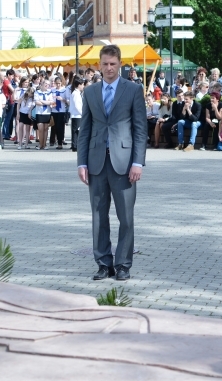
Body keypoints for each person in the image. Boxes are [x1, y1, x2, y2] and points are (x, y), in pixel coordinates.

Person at [76, 44, 147, 282]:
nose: (109, 68)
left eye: (113, 64)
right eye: (105, 64)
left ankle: (124, 264)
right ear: (99, 64)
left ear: (120, 65)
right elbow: (84, 130)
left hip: (125, 163)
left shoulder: (133, 90)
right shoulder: (91, 92)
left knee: (125, 216)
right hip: (96, 162)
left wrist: (138, 162)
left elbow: (140, 129)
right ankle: (104, 263)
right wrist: (81, 163)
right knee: (99, 215)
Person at [33, 79, 55, 150]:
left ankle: (44, 144)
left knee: (46, 129)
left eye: (48, 84)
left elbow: (51, 102)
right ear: (42, 84)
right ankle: (40, 144)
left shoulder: (50, 92)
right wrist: (46, 102)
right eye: (45, 83)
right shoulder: (37, 92)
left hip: (47, 113)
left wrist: (42, 101)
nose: (47, 85)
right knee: (40, 128)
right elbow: (36, 102)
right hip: (39, 113)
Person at [16, 78, 34, 150]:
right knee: (20, 126)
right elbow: (18, 104)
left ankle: (26, 144)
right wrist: (18, 113)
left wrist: (30, 112)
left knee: (27, 129)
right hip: (22, 112)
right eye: (29, 93)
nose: (30, 95)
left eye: (32, 94)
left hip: (28, 114)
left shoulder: (33, 98)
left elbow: (32, 106)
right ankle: (20, 143)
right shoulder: (23, 96)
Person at [51, 76, 68, 150]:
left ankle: (60, 143)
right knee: (54, 126)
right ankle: (53, 140)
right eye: (56, 83)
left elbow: (67, 101)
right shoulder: (52, 90)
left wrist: (62, 99)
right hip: (54, 110)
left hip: (61, 111)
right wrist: (52, 103)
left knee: (60, 127)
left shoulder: (64, 90)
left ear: (61, 83)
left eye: (59, 83)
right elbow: (50, 99)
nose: (58, 85)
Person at [69, 77, 85, 152]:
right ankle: (74, 145)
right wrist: (82, 113)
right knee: (76, 130)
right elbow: (77, 105)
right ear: (79, 85)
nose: (83, 86)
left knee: (76, 130)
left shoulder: (77, 93)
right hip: (77, 115)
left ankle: (75, 145)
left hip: (77, 114)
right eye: (82, 85)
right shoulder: (75, 93)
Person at [1, 69, 17, 141]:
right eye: (12, 75)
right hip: (9, 101)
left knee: (7, 119)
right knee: (7, 119)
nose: (13, 77)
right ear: (8, 75)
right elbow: (13, 90)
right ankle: (5, 134)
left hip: (9, 100)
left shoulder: (6, 81)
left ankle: (6, 134)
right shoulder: (7, 81)